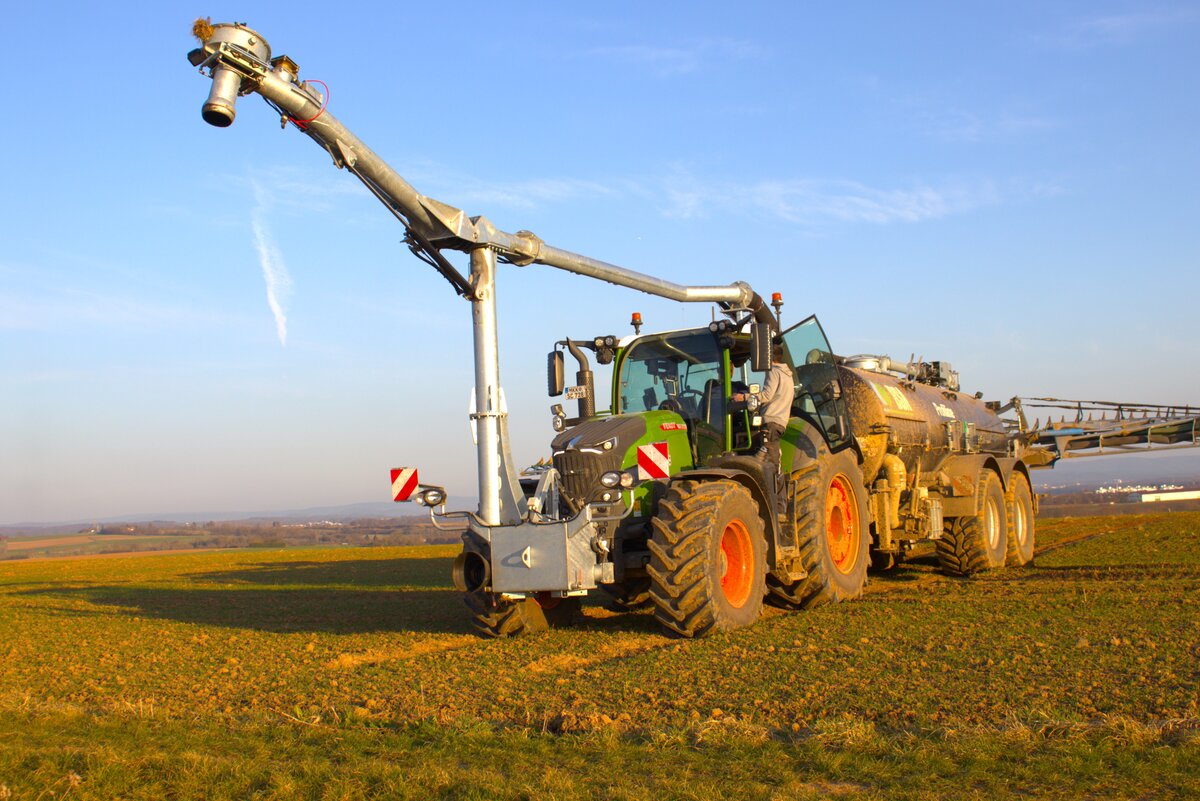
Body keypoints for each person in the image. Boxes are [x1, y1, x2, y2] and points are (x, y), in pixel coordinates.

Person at [733, 342, 793, 511]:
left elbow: (766, 395)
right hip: (781, 421)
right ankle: (779, 506)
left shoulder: (774, 371)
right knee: (774, 462)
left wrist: (743, 398)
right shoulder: (787, 374)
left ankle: (777, 509)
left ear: (768, 358)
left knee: (768, 463)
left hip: (771, 421)